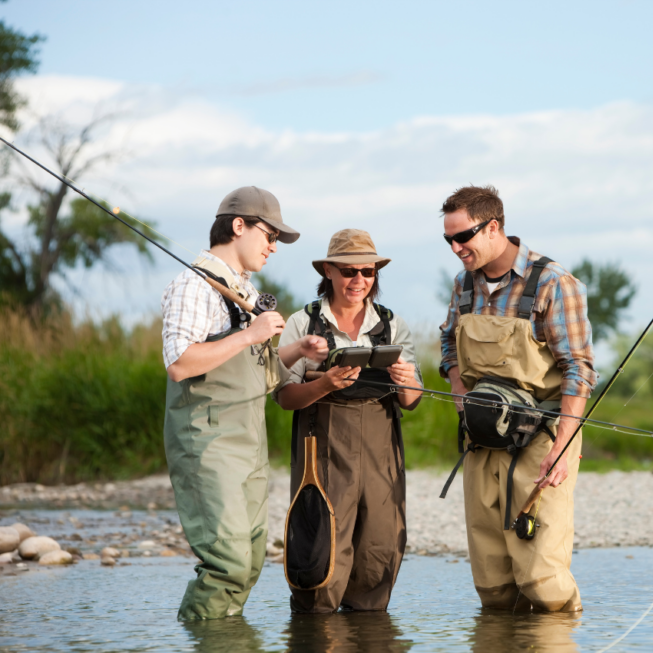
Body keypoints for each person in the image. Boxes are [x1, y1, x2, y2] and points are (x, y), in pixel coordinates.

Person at [162, 186, 326, 621]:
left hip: (250, 440)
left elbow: (258, 370)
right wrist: (251, 334)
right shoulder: (192, 285)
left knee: (251, 561)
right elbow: (179, 364)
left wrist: (297, 352)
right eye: (269, 235)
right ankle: (200, 637)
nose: (273, 247)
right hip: (208, 441)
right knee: (227, 564)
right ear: (239, 226)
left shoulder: (245, 290)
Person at [439, 185, 597, 612]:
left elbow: (578, 370)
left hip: (542, 441)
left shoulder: (553, 283)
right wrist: (460, 396)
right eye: (448, 239)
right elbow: (448, 348)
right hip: (480, 441)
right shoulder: (462, 285)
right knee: (493, 586)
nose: (455, 248)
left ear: (493, 227)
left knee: (542, 581)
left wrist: (563, 448)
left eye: (463, 237)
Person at [275, 228, 423, 613]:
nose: (359, 280)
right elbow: (285, 398)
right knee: (320, 553)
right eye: (348, 271)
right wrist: (324, 384)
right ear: (328, 271)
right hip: (320, 451)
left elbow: (412, 401)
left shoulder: (393, 325)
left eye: (368, 272)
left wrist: (407, 383)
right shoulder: (301, 324)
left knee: (379, 549)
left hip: (381, 453)